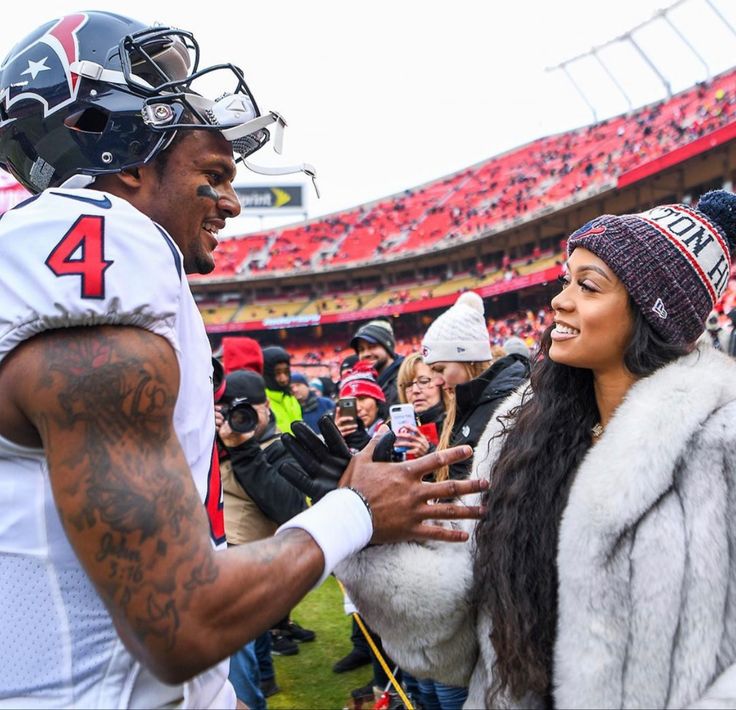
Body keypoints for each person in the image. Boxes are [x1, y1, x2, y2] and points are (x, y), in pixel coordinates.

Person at [0, 12, 486, 708]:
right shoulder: (94, 304)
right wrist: (355, 511)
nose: (231, 201)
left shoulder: (85, 281)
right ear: (128, 158)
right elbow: (181, 621)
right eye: (214, 173)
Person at [336, 191, 736, 708]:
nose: (559, 301)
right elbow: (465, 636)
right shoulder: (521, 433)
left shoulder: (721, 451)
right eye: (566, 280)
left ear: (651, 313)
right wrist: (368, 536)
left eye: (587, 286)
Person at [422, 291, 531, 481]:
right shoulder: (466, 405)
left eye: (440, 369)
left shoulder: (504, 406)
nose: (437, 381)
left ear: (468, 360)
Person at [394, 352, 447, 458]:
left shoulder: (456, 424)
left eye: (423, 381)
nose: (415, 390)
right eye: (408, 385)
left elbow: (460, 471)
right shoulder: (394, 428)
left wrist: (429, 453)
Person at [351, 319, 404, 404]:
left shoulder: (405, 377)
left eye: (372, 347)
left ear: (387, 347)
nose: (366, 354)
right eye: (361, 349)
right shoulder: (362, 382)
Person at [262, 345, 302, 435]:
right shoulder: (261, 403)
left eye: (286, 372)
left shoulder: (291, 398)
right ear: (267, 374)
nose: (283, 379)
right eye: (277, 373)